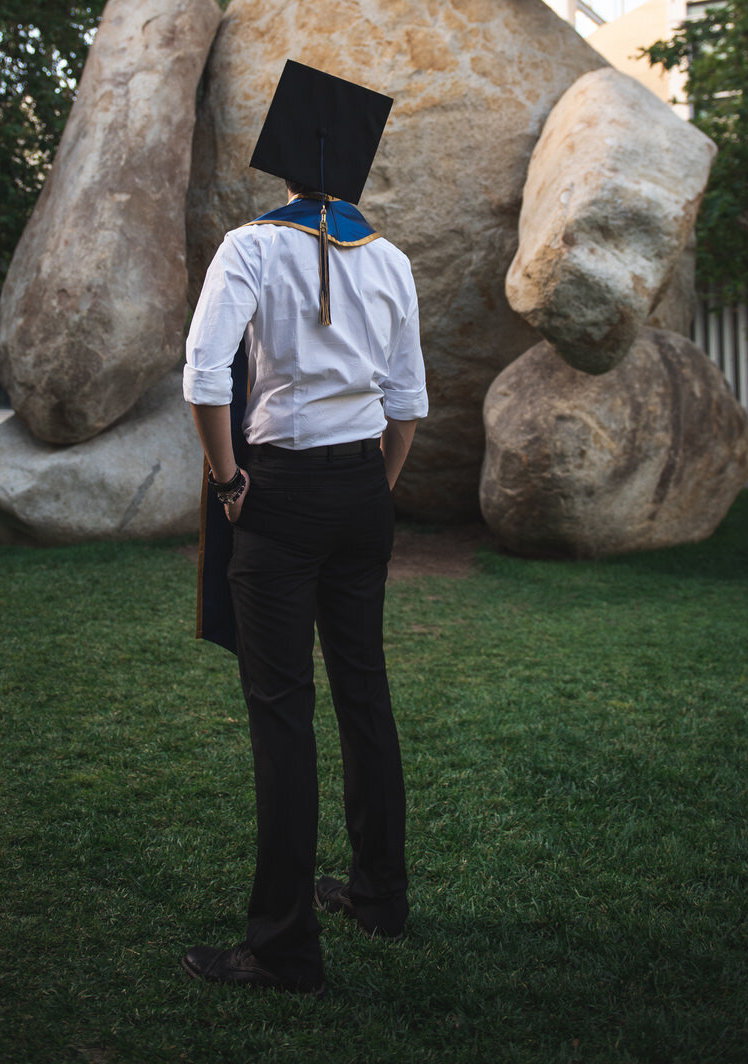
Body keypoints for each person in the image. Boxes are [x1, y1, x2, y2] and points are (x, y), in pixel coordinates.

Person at [180, 60, 428, 996]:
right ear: (354, 171)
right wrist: (376, 485)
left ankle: (283, 948)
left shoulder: (249, 247)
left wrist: (229, 478)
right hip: (364, 488)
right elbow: (406, 405)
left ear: (283, 166)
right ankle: (378, 897)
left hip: (278, 495)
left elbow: (207, 379)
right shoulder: (395, 260)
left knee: (283, 714)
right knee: (364, 693)